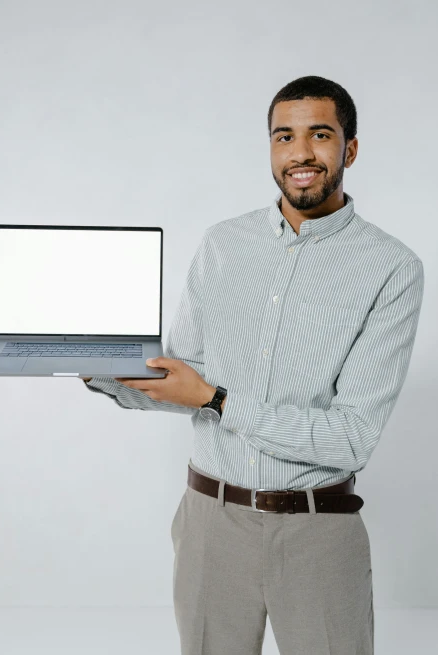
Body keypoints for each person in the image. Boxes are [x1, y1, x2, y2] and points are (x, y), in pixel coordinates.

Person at [82, 75, 425, 655]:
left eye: (320, 134)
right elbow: (181, 378)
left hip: (319, 531)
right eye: (283, 136)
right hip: (210, 525)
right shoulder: (222, 244)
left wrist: (216, 399)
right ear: (270, 148)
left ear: (351, 148)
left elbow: (349, 439)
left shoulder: (391, 269)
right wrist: (98, 363)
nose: (301, 153)